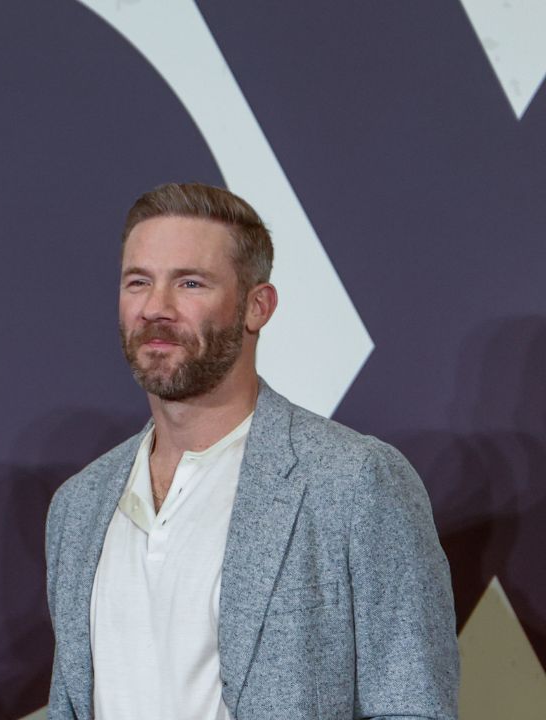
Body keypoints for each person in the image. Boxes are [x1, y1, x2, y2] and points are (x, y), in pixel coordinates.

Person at [44, 183, 458, 719]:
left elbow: (413, 706)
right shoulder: (77, 509)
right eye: (138, 282)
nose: (155, 308)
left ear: (256, 306)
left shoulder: (353, 482)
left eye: (190, 283)